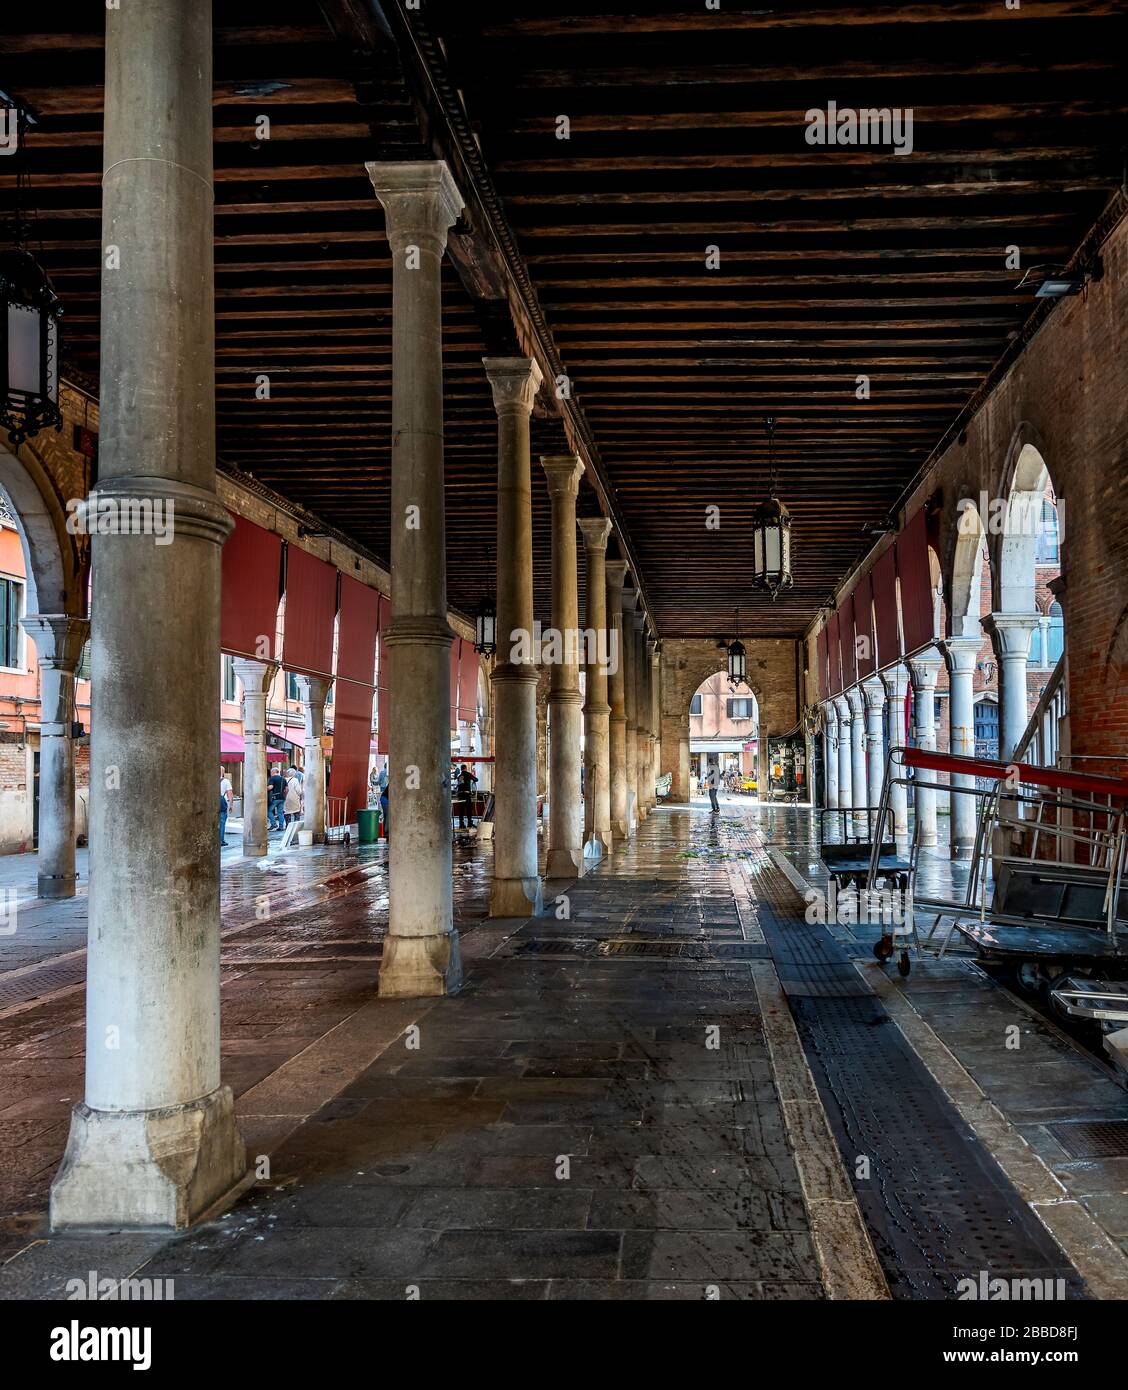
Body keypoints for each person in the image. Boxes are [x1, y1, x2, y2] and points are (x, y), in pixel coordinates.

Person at [455, 762, 478, 830]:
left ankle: (461, 824)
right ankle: (469, 823)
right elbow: (476, 779)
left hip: (460, 795)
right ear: (465, 768)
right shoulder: (468, 774)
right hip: (467, 795)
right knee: (469, 809)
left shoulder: (459, 776)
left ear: (461, 769)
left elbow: (459, 784)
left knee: (461, 810)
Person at [267, 764, 286, 832]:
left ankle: (273, 824)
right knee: (280, 813)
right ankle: (281, 826)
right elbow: (286, 789)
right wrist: (284, 796)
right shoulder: (283, 778)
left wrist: (264, 788)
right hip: (282, 798)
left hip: (275, 797)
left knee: (269, 811)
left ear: (273, 772)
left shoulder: (272, 778)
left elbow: (270, 787)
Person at [219, 765, 233, 846]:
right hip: (221, 802)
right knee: (222, 822)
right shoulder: (226, 781)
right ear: (223, 772)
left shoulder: (209, 779)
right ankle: (221, 840)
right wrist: (231, 805)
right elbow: (230, 794)